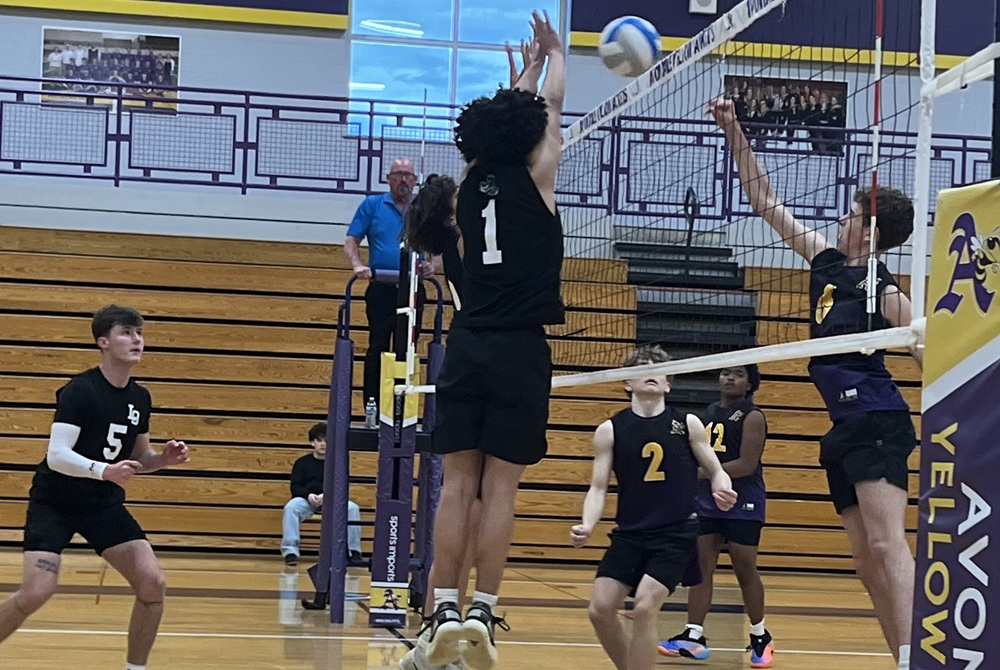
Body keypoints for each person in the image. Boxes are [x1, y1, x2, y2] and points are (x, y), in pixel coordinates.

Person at [709, 97, 921, 670]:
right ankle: (900, 654)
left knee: (885, 545)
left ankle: (916, 657)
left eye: (852, 215)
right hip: (843, 428)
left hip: (878, 420)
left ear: (870, 230)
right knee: (863, 560)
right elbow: (765, 200)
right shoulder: (825, 263)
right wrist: (733, 129)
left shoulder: (886, 291)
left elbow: (928, 348)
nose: (841, 220)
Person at [401, 12, 564, 670]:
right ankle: (483, 614)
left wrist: (522, 73)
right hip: (522, 348)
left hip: (467, 345)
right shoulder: (539, 178)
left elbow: (508, 122)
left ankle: (443, 604)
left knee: (454, 485)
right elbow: (547, 108)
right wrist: (553, 57)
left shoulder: (464, 190)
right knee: (500, 492)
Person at [0, 305, 190, 670]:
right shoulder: (80, 390)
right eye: (126, 332)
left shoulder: (140, 398)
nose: (136, 340)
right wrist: (103, 470)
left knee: (153, 583)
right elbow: (56, 456)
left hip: (102, 504)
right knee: (36, 592)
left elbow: (139, 459)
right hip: (55, 501)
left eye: (139, 333)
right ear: (103, 342)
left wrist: (162, 459)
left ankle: (135, 668)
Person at [571, 345, 737, 670]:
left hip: (676, 533)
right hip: (631, 533)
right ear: (626, 382)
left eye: (657, 367)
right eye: (640, 366)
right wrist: (587, 524)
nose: (649, 371)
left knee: (645, 607)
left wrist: (723, 488)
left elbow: (717, 470)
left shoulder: (687, 423)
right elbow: (598, 486)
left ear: (668, 384)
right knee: (600, 609)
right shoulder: (610, 430)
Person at [658, 365, 774, 668]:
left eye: (737, 374)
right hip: (707, 500)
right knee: (701, 568)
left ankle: (760, 636)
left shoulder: (753, 416)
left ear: (750, 383)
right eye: (725, 373)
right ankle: (693, 635)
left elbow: (747, 464)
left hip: (743, 501)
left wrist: (695, 474)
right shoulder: (707, 413)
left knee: (744, 568)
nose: (729, 378)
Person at [344, 156, 427, 413]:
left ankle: (402, 406)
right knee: (378, 346)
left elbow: (440, 241)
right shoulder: (372, 205)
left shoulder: (422, 209)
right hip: (381, 286)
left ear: (415, 181)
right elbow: (351, 241)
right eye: (398, 174)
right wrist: (358, 266)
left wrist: (432, 265)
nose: (403, 179)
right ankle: (373, 405)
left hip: (412, 287)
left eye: (408, 175)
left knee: (407, 348)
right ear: (389, 178)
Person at [281, 422, 361, 566]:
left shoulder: (338, 463)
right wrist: (309, 496)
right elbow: (295, 486)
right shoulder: (302, 462)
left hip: (332, 500)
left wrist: (328, 495)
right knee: (291, 507)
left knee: (352, 508)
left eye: (326, 440)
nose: (323, 444)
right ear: (312, 442)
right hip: (307, 500)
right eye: (319, 440)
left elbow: (342, 486)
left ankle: (353, 551)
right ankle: (290, 551)